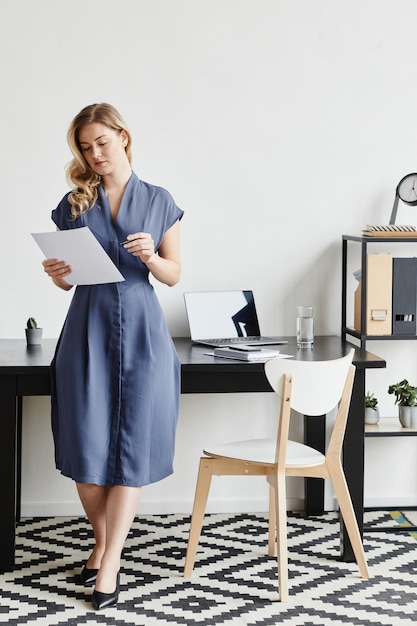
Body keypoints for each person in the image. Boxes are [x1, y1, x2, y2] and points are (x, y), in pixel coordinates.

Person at [42, 103, 184, 610]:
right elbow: (68, 280)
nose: (94, 153)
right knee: (86, 453)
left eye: (101, 141)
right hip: (87, 329)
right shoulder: (74, 202)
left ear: (123, 137)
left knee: (130, 452)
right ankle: (102, 543)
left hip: (144, 332)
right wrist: (56, 271)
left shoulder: (160, 200)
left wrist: (151, 256)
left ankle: (113, 559)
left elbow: (173, 274)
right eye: (84, 146)